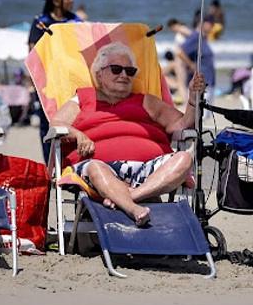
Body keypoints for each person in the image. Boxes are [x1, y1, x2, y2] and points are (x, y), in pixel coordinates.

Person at [49, 42, 204, 226]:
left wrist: (193, 101)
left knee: (185, 159)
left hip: (147, 171)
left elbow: (182, 124)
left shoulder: (146, 101)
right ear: (99, 73)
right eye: (116, 69)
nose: (124, 75)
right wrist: (78, 134)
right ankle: (134, 209)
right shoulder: (83, 99)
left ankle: (128, 198)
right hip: (100, 168)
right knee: (95, 168)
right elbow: (56, 124)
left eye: (129, 71)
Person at [28, 0, 83, 162]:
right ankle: (50, 164)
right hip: (48, 82)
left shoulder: (76, 21)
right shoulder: (41, 22)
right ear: (55, 1)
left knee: (72, 120)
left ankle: (70, 161)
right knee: (47, 123)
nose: (71, 1)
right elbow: (33, 52)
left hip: (71, 80)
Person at [175, 19, 216, 100]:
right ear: (202, 23)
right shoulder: (196, 37)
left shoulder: (204, 38)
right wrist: (191, 64)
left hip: (209, 81)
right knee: (202, 111)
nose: (212, 26)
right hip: (201, 84)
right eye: (210, 24)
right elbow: (180, 52)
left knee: (209, 111)